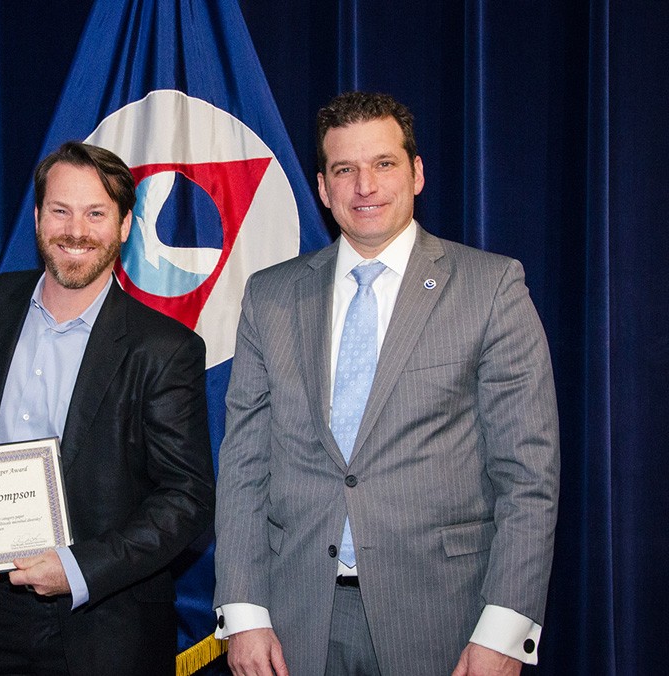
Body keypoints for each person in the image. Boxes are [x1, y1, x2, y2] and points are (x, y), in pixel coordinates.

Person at [213, 92, 559, 676]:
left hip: (445, 618)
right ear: (322, 189)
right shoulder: (269, 297)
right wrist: (244, 613)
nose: (364, 186)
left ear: (417, 172)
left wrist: (504, 632)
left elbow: (529, 475)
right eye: (344, 170)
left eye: (383, 164)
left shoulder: (491, 287)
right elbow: (245, 465)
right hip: (296, 619)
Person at [0, 141, 215, 675]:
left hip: (105, 629)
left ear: (125, 224)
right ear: (39, 217)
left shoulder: (165, 349)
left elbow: (187, 498)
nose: (76, 230)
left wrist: (77, 568)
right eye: (61, 211)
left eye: (96, 213)